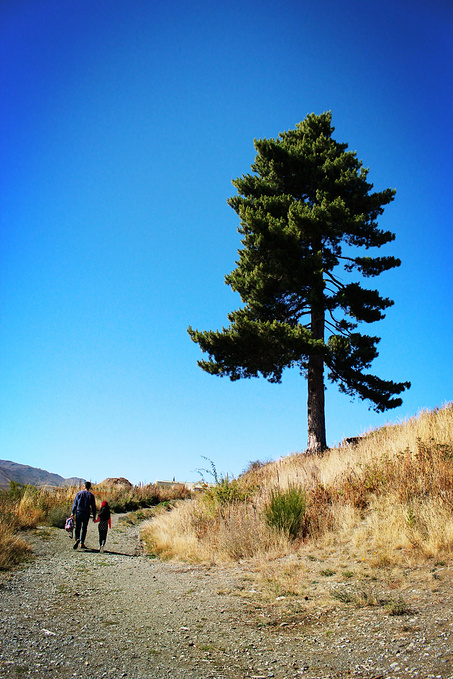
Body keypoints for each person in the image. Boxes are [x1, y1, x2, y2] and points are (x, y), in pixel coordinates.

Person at [71, 481, 96, 550]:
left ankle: (77, 539)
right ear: (89, 487)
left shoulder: (79, 493)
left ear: (84, 486)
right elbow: (93, 506)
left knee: (77, 527)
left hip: (79, 512)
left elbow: (75, 503)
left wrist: (72, 512)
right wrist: (94, 516)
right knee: (84, 528)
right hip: (86, 513)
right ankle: (82, 542)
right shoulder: (91, 495)